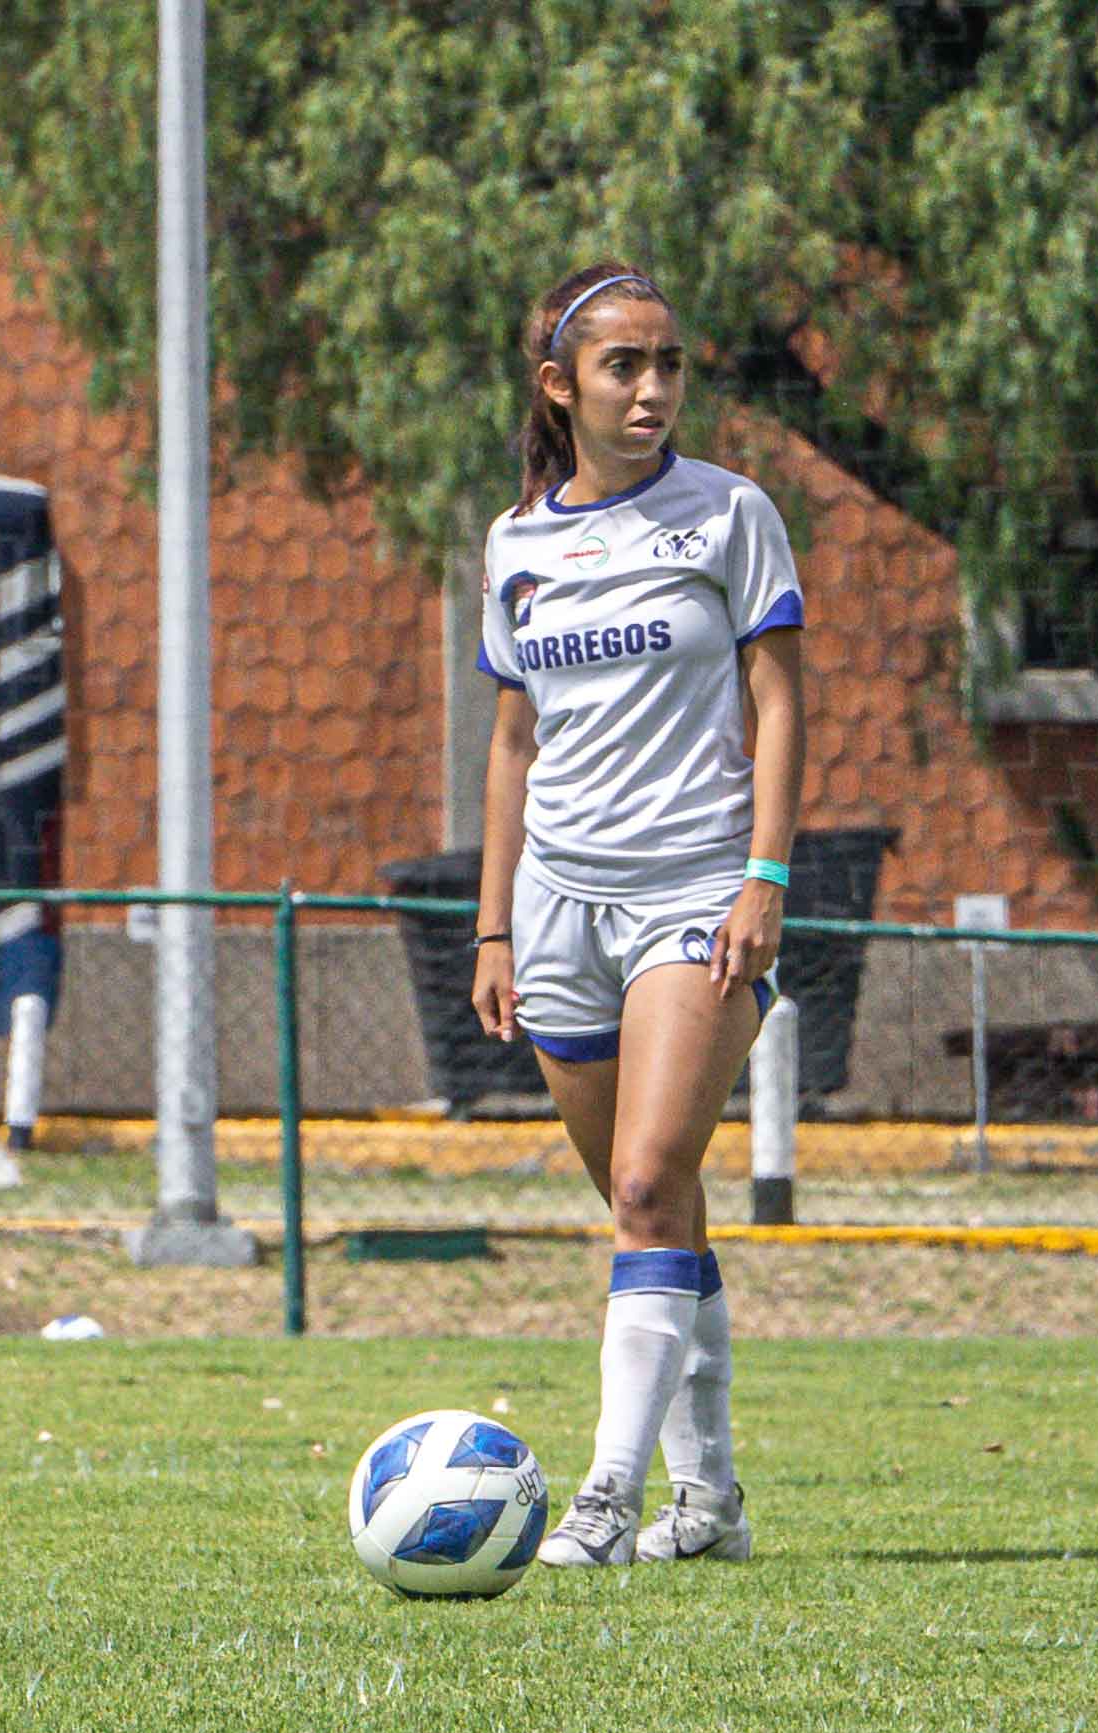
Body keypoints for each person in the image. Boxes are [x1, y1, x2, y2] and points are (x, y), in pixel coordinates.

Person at [470, 260, 806, 1567]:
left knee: (649, 1180)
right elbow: (513, 743)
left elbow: (779, 700)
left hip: (694, 891)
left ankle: (606, 1502)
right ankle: (708, 1503)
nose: (654, 387)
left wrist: (764, 876)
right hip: (556, 905)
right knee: (651, 1207)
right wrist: (495, 925)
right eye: (625, 365)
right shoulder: (515, 543)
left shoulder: (729, 514)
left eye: (668, 363)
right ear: (560, 386)